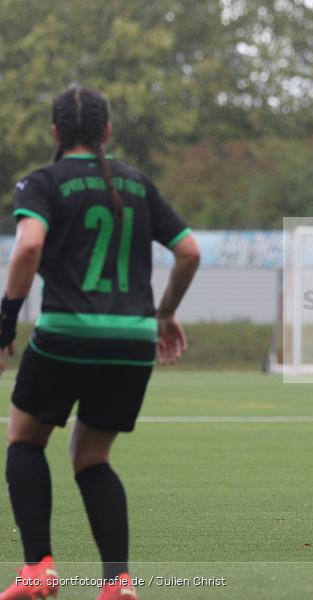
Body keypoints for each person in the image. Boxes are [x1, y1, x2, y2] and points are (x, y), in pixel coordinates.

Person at [0, 86, 200, 600]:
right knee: (91, 457)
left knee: (25, 440)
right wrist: (165, 314)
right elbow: (189, 252)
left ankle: (38, 570)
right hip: (131, 341)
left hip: (67, 333)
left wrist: (6, 322)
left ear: (55, 133)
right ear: (106, 133)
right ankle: (117, 582)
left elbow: (29, 245)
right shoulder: (137, 183)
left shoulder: (42, 182)